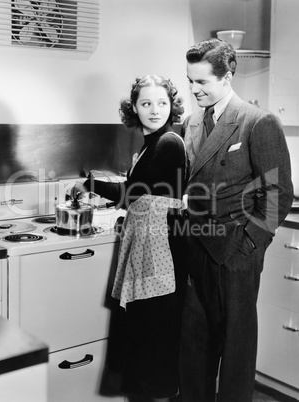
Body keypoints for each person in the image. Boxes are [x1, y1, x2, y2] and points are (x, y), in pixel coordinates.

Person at [179, 38, 293, 402]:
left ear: (227, 76)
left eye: (202, 82)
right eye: (190, 81)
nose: (194, 90)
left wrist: (248, 246)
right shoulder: (191, 122)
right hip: (197, 245)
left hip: (235, 251)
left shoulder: (258, 122)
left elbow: (278, 194)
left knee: (236, 348)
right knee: (194, 344)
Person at [71, 74, 189, 402]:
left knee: (155, 339)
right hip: (151, 245)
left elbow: (134, 193)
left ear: (172, 106)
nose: (154, 110)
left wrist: (89, 185)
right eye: (146, 103)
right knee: (145, 337)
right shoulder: (150, 145)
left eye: (162, 103)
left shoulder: (169, 143)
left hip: (162, 250)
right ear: (134, 108)